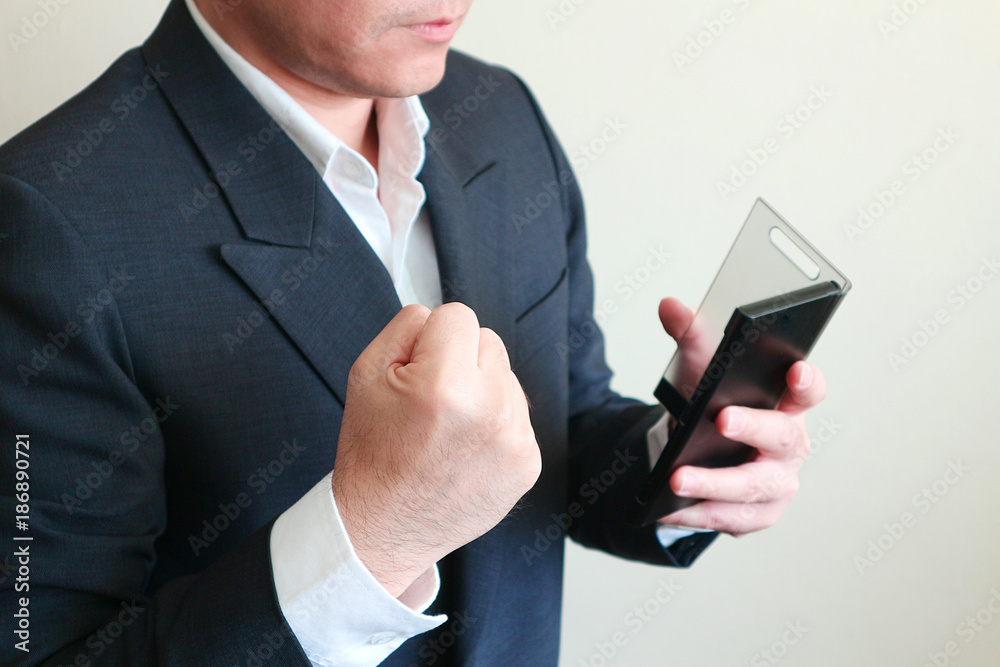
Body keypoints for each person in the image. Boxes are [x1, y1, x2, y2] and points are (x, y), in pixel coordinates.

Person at [0, 0, 825, 664]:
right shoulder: (44, 220)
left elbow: (560, 435)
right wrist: (368, 539)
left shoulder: (502, 115)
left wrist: (687, 449)